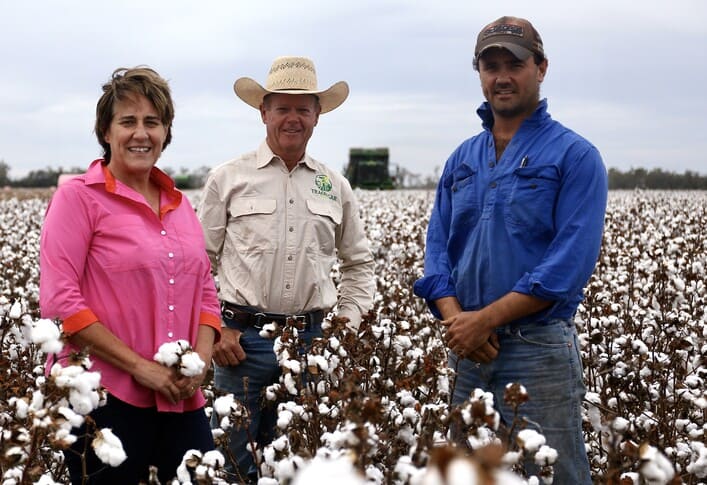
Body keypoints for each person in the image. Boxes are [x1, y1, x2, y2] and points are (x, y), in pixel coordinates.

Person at [413, 17, 607, 484]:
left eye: (514, 64)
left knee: (557, 474)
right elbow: (437, 249)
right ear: (479, 73)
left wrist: (483, 321)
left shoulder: (575, 156)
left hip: (537, 348)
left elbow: (567, 266)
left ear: (540, 68)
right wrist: (460, 319)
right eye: (490, 65)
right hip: (468, 348)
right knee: (463, 473)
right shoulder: (462, 158)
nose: (502, 76)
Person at [197, 56, 375, 482]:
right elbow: (198, 264)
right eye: (282, 107)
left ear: (317, 116)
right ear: (264, 112)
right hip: (240, 343)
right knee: (234, 466)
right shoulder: (228, 178)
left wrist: (341, 332)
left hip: (313, 344)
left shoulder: (335, 185)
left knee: (303, 464)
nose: (293, 118)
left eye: (303, 108)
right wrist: (215, 328)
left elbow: (359, 264)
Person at [39, 66, 222, 484]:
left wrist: (199, 363)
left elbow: (206, 293)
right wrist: (142, 368)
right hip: (103, 396)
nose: (141, 133)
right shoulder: (78, 199)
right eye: (128, 122)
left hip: (179, 395)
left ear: (166, 132)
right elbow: (60, 300)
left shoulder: (180, 204)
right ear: (106, 131)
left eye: (152, 123)